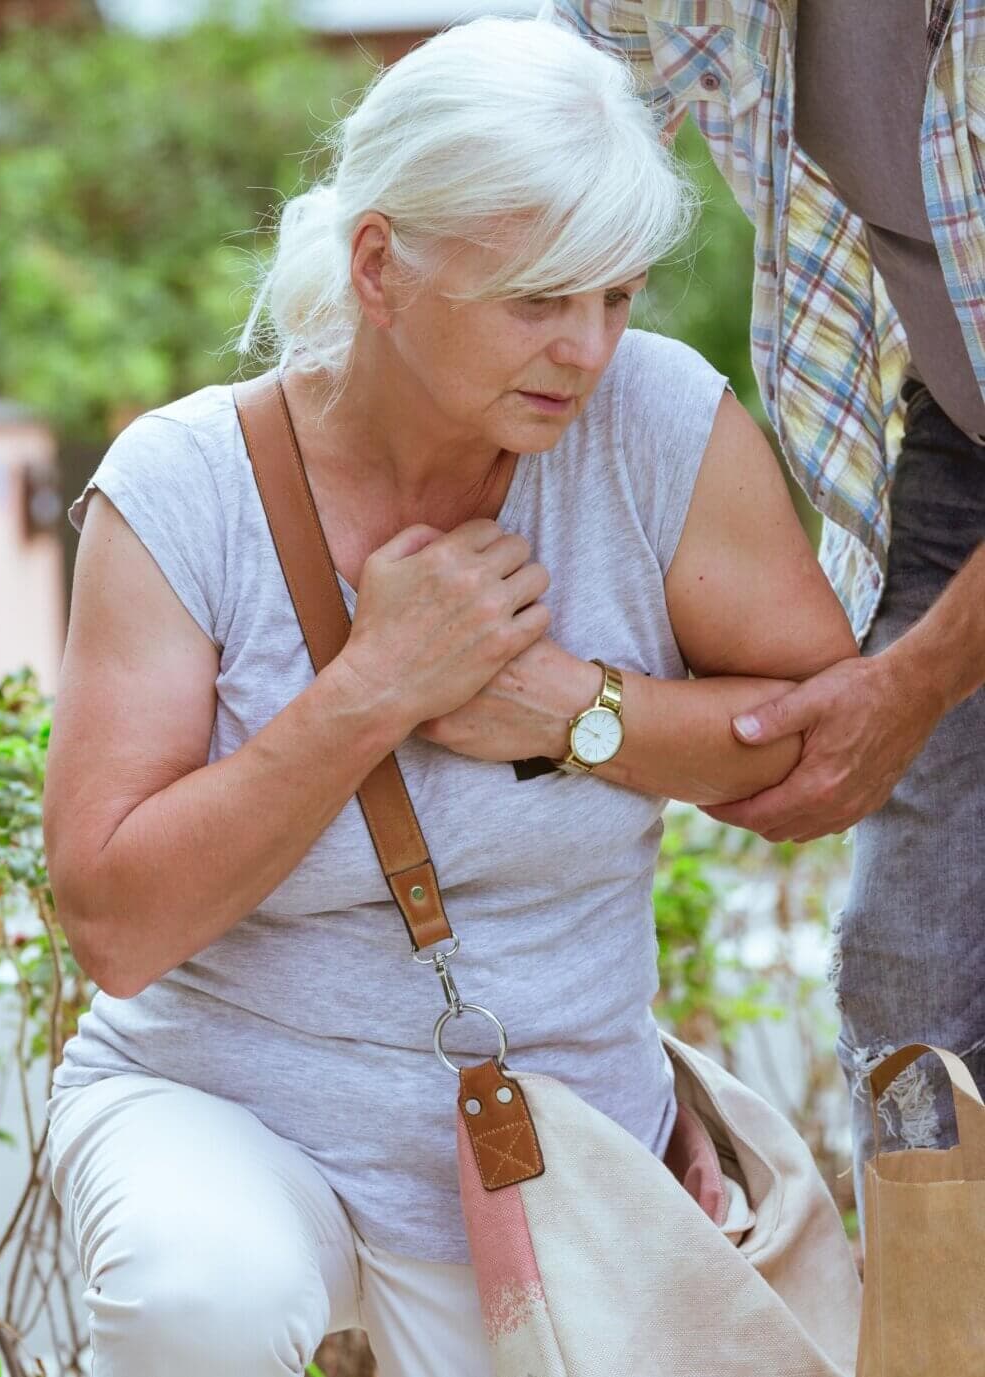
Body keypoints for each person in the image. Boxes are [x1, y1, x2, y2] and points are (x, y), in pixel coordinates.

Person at [42, 17, 856, 1376]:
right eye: (540, 296)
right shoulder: (182, 485)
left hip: (553, 1142)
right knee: (202, 1297)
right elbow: (117, 926)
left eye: (616, 295)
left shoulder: (656, 423)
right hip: (223, 1106)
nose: (589, 349)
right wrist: (372, 687)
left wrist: (571, 711)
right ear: (378, 265)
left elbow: (830, 749)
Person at [545, 0, 985, 1238]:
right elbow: (522, 137)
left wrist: (912, 685)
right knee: (912, 978)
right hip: (958, 435)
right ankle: (935, 1330)